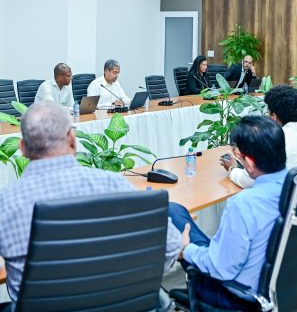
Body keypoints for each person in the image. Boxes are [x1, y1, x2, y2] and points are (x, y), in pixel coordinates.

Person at [169, 116, 297, 309]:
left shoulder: (244, 204)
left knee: (173, 211)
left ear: (249, 162)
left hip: (243, 296)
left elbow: (222, 269)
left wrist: (187, 250)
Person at [0, 101, 181, 303]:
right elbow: (172, 245)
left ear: (23, 148)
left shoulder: (6, 203)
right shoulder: (115, 185)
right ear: (72, 139)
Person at [220, 85, 297, 188]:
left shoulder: (274, 139)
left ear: (274, 116)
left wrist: (232, 169)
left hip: (279, 194)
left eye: (268, 112)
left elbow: (250, 181)